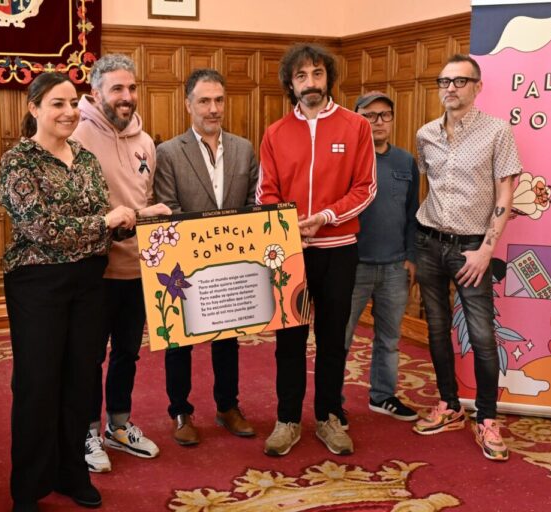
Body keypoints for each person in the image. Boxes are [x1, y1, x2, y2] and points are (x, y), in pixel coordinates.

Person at [0, 72, 139, 511]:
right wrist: (106, 223)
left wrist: (131, 219)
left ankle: (72, 472)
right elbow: (39, 229)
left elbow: (102, 222)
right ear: (34, 108)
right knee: (38, 384)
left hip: (87, 282)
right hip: (37, 284)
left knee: (81, 381)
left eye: (73, 102)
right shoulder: (18, 161)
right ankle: (29, 487)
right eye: (56, 103)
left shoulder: (85, 157)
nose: (68, 111)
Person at [256, 43, 376, 457]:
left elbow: (365, 188)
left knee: (332, 338)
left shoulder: (356, 127)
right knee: (288, 340)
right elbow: (265, 192)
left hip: (339, 251)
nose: (311, 83)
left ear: (329, 79)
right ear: (290, 83)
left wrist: (324, 217)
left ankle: (329, 416)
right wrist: (290, 227)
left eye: (318, 74)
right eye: (302, 76)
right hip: (290, 252)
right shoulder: (274, 133)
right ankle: (287, 419)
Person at [412, 54, 521, 462]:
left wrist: (486, 248)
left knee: (481, 336)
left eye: (460, 81)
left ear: (477, 86)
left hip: (474, 248)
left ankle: (487, 419)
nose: (451, 88)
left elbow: (505, 195)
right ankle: (449, 405)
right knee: (438, 330)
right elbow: (432, 184)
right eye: (444, 81)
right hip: (428, 242)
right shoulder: (425, 135)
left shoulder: (497, 132)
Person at [71, 54, 170, 472]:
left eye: (131, 88)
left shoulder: (146, 142)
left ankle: (119, 424)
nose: (127, 97)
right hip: (95, 270)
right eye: (117, 89)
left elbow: (145, 201)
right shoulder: (76, 136)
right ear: (96, 92)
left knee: (128, 352)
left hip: (138, 267)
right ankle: (87, 431)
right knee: (91, 355)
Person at [153, 68, 259, 445]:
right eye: (204, 101)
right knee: (178, 340)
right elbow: (170, 207)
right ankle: (180, 412)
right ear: (188, 105)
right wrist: (204, 249)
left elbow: (251, 204)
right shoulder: (167, 153)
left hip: (232, 266)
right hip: (183, 267)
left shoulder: (245, 148)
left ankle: (228, 406)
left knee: (227, 339)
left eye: (218, 100)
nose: (213, 109)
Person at [343, 91, 419, 422]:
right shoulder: (346, 159)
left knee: (389, 339)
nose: (378, 122)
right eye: (370, 115)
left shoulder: (405, 162)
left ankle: (382, 395)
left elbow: (413, 211)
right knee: (340, 339)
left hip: (394, 266)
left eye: (385, 115)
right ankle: (331, 402)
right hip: (353, 264)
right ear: (357, 118)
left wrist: (411, 256)